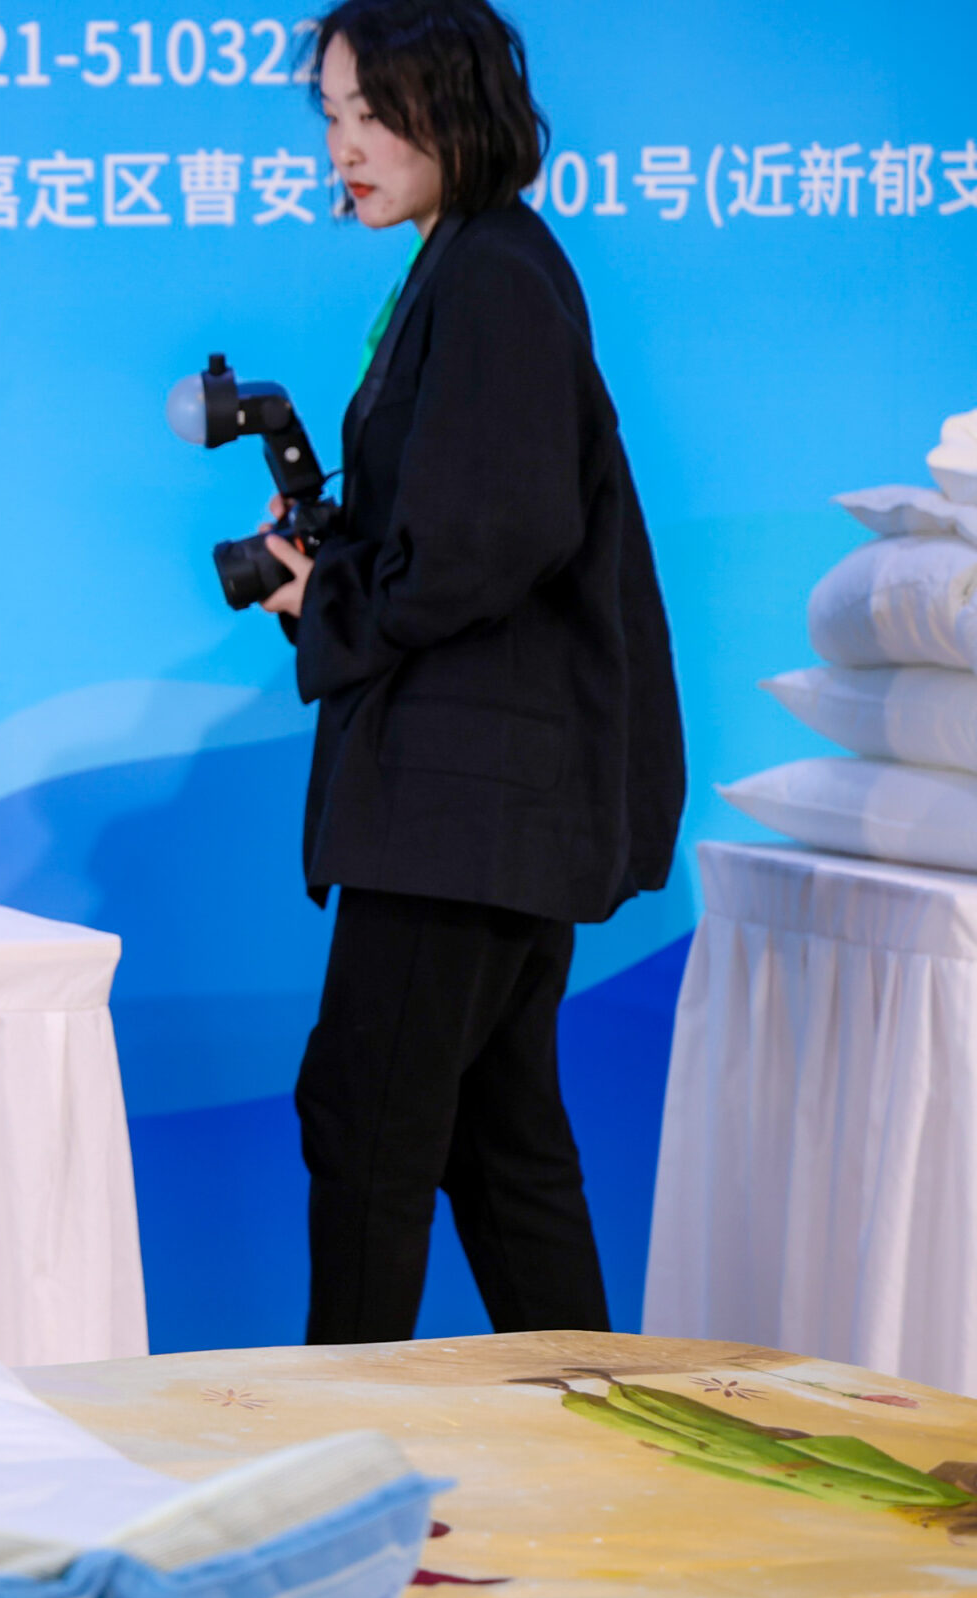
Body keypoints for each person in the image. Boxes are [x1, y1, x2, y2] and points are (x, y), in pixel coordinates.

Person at [253, 0, 686, 1344]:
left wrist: (330, 595)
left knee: (369, 1122)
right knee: (499, 1140)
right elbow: (465, 521)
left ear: (455, 109)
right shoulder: (471, 261)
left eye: (373, 114)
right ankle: (590, 1422)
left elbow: (486, 539)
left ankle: (348, 1441)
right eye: (332, 114)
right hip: (485, 800)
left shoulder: (491, 274)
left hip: (466, 807)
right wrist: (339, 572)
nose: (345, 145)